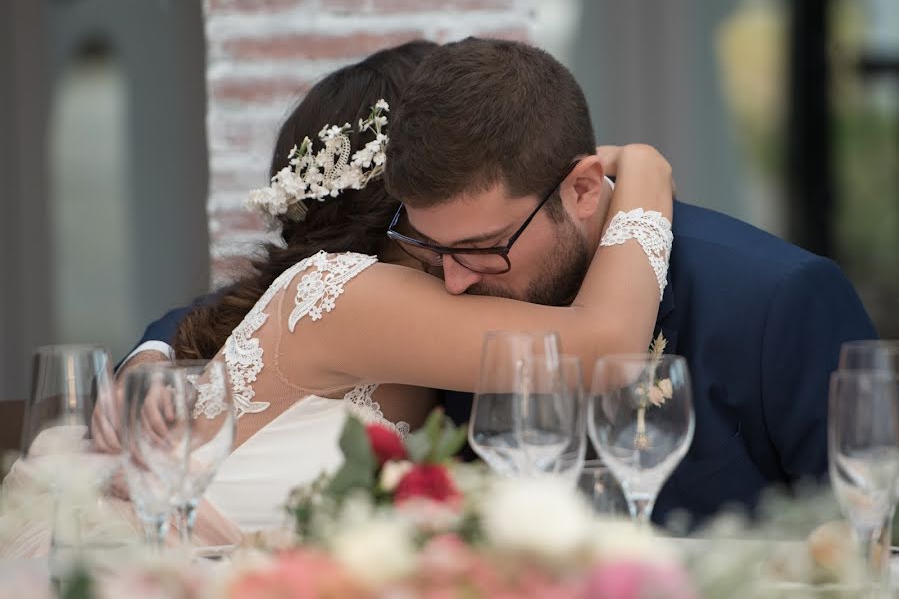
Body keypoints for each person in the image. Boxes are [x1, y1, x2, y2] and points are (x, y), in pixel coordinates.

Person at [97, 40, 676, 532]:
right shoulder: (351, 294)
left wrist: (153, 353)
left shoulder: (330, 291)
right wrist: (646, 168)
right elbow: (604, 344)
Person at [381, 37, 877, 527]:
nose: (452, 282)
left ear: (583, 189)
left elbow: (871, 535)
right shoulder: (455, 307)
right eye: (431, 247)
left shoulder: (779, 298)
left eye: (483, 248)